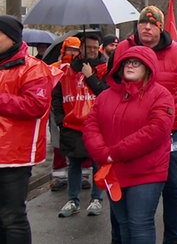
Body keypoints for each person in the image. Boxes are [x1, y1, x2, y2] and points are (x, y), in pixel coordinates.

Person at [113, 5, 177, 244]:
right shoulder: (123, 49)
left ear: (161, 27)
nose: (146, 28)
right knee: (124, 187)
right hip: (128, 133)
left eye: (152, 24)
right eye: (142, 23)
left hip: (168, 134)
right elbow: (112, 85)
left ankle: (173, 238)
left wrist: (174, 110)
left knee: (172, 187)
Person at [83, 46, 175, 244]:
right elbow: (91, 125)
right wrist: (102, 153)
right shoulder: (105, 96)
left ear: (148, 67)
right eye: (127, 62)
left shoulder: (161, 95)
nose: (130, 65)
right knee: (123, 224)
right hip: (114, 171)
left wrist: (114, 153)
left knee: (139, 223)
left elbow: (156, 130)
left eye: (137, 62)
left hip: (146, 172)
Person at [0, 15, 60, 243]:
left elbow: (35, 105)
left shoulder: (33, 69)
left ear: (12, 37)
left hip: (16, 156)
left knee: (12, 217)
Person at [53, 34, 107, 217]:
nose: (92, 50)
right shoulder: (66, 71)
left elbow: (106, 94)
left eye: (95, 47)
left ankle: (96, 199)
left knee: (97, 164)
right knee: (73, 164)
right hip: (71, 126)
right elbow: (57, 97)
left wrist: (90, 77)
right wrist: (61, 120)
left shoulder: (104, 69)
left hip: (97, 126)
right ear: (81, 48)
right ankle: (72, 200)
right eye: (88, 47)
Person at [48, 36, 82, 192]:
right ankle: (59, 176)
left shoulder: (80, 67)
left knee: (81, 143)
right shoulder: (54, 67)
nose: (73, 53)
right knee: (58, 142)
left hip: (76, 109)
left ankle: (84, 175)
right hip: (57, 110)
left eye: (76, 50)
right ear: (64, 49)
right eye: (70, 49)